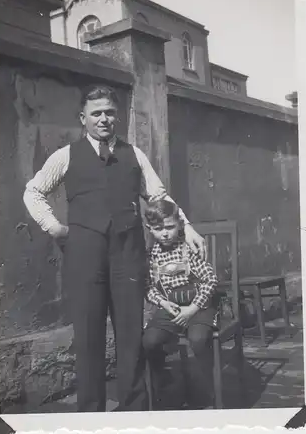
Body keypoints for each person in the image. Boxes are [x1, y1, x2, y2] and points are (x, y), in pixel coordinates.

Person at [23, 85, 206, 412]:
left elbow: (158, 196)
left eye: (109, 112)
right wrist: (54, 227)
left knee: (130, 336)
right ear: (83, 118)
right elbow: (33, 192)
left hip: (127, 254)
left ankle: (133, 411)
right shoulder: (65, 155)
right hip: (84, 256)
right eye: (96, 113)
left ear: (117, 116)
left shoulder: (135, 154)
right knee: (88, 338)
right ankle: (90, 415)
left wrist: (187, 226)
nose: (103, 119)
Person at [143, 199, 218, 409]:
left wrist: (193, 309)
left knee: (198, 339)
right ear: (150, 229)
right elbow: (148, 288)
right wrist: (163, 303)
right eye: (158, 229)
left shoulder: (188, 248)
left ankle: (208, 388)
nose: (165, 234)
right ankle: (165, 390)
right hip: (170, 307)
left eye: (169, 227)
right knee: (149, 341)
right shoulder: (152, 256)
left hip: (197, 305)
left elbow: (210, 280)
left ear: (179, 224)